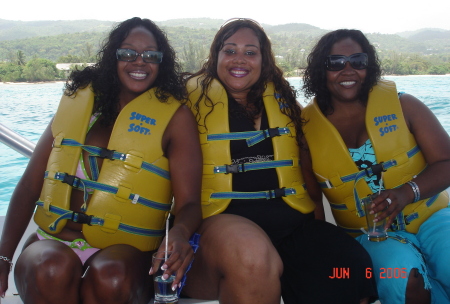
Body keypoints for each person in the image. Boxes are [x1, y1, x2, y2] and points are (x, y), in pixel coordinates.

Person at [0, 17, 202, 304]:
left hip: (126, 248)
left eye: (151, 55)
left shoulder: (175, 119)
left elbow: (190, 203)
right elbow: (30, 184)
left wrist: (180, 234)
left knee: (112, 275)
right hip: (54, 240)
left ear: (162, 62)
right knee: (50, 268)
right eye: (128, 53)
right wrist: (4, 256)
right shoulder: (79, 105)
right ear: (113, 57)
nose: (139, 62)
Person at [182, 18, 377, 304]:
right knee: (252, 254)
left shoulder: (283, 101)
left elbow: (304, 166)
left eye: (250, 52)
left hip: (291, 227)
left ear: (264, 60)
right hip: (220, 229)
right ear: (216, 57)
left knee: (349, 263)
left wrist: (318, 226)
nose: (240, 60)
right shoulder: (188, 103)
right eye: (230, 50)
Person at [301, 28, 450, 304]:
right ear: (321, 70)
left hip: (431, 216)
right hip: (369, 236)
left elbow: (446, 161)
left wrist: (407, 192)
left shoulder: (404, 105)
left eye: (358, 61)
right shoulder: (307, 131)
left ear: (368, 67)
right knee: (404, 279)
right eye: (335, 63)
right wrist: (325, 258)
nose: (348, 70)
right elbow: (313, 201)